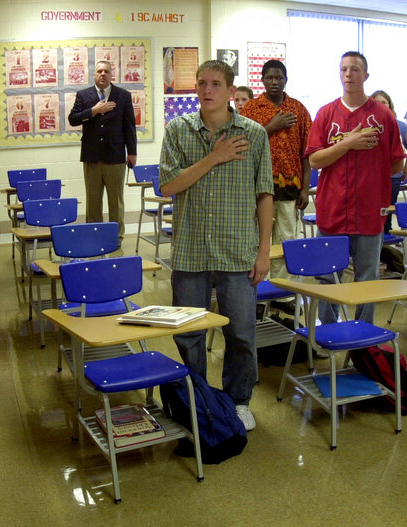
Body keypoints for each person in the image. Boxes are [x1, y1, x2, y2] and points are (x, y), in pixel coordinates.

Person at [159, 60, 274, 430]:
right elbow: (168, 187)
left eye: (215, 84)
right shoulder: (178, 130)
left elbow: (265, 196)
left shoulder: (254, 134)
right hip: (191, 252)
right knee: (190, 333)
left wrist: (263, 252)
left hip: (237, 251)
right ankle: (198, 398)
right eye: (202, 83)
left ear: (229, 90)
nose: (207, 90)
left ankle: (239, 400)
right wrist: (214, 157)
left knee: (240, 332)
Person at [305, 52, 404, 324]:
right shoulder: (326, 114)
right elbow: (315, 160)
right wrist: (347, 144)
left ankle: (365, 342)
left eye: (355, 69)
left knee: (367, 278)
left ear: (366, 76)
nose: (349, 74)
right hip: (332, 209)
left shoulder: (383, 116)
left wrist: (371, 175)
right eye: (344, 69)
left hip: (369, 212)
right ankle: (326, 331)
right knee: (328, 276)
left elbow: (396, 164)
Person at [240, 60, 312, 282]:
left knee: (285, 241)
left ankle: (283, 295)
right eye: (269, 78)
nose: (274, 82)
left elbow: (306, 152)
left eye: (278, 78)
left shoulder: (298, 109)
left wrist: (305, 189)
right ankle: (260, 292)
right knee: (259, 241)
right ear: (262, 80)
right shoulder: (251, 109)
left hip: (290, 188)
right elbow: (242, 143)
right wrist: (272, 126)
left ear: (285, 80)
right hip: (259, 188)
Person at [68, 60, 138, 240]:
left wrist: (132, 152)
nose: (103, 74)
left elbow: (129, 126)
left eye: (106, 71)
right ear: (94, 74)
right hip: (91, 156)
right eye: (99, 71)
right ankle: (94, 236)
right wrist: (93, 111)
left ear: (111, 74)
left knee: (116, 202)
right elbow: (73, 119)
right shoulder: (84, 95)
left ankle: (117, 238)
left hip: (115, 157)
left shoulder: (122, 95)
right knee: (93, 201)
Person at [371, 90, 407, 235]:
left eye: (384, 102)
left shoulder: (399, 125)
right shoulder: (366, 125)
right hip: (372, 178)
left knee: (387, 212)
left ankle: (386, 242)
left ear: (390, 105)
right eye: (377, 102)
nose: (381, 106)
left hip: (393, 177)